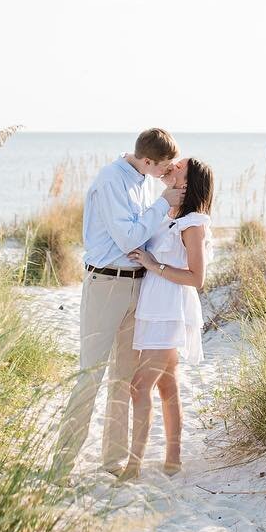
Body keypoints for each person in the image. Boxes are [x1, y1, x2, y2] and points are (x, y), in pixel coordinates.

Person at [52, 128, 185, 474]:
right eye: (163, 166)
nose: (164, 173)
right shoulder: (112, 180)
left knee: (122, 379)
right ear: (146, 160)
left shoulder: (143, 179)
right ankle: (62, 464)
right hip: (105, 284)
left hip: (137, 285)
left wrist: (162, 204)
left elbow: (143, 235)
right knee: (90, 375)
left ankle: (112, 460)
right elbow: (128, 236)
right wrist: (162, 204)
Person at [118, 158, 214, 479]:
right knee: (166, 385)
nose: (171, 165)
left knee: (139, 386)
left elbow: (197, 278)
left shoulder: (193, 224)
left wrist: (151, 263)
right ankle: (173, 459)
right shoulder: (165, 215)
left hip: (170, 309)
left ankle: (134, 465)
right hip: (152, 306)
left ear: (186, 183)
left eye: (179, 166)